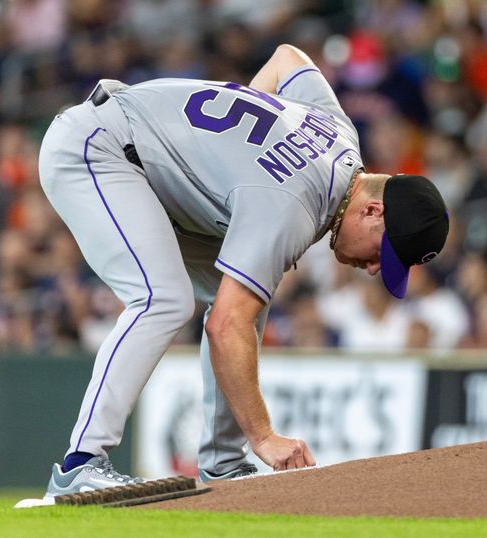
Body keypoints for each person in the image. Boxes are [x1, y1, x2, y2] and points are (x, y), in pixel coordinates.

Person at [37, 44, 449, 497]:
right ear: (373, 211)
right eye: (382, 254)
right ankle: (81, 463)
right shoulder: (293, 204)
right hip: (99, 147)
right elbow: (223, 326)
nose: (373, 268)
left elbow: (287, 57)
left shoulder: (338, 134)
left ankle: (223, 465)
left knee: (242, 299)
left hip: (143, 162)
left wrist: (236, 156)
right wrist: (264, 438)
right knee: (165, 298)